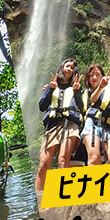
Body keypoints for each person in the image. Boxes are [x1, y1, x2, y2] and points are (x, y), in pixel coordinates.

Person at [35, 58, 83, 191]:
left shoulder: (76, 87)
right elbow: (42, 106)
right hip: (52, 125)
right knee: (43, 165)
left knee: (62, 161)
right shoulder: (51, 85)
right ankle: (40, 202)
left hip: (69, 124)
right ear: (62, 68)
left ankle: (64, 200)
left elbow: (81, 107)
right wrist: (50, 90)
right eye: (67, 66)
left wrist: (77, 92)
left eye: (72, 68)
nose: (69, 69)